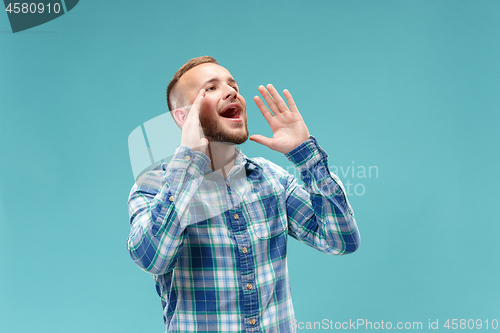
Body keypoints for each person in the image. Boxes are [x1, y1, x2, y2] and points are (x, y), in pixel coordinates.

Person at [127, 56, 360, 332]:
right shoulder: (153, 186)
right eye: (211, 88)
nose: (231, 91)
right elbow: (152, 258)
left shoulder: (272, 179)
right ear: (183, 117)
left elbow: (341, 240)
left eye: (232, 84)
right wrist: (188, 162)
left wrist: (305, 156)